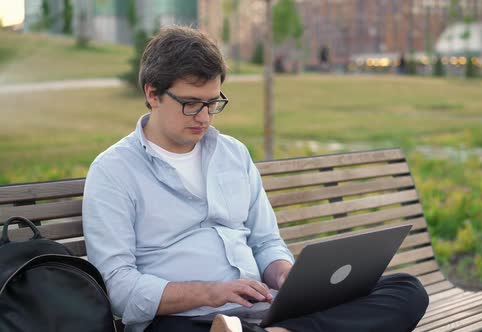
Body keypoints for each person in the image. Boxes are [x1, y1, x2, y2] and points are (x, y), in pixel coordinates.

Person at [83, 26, 429, 332]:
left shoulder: (233, 154)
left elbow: (265, 242)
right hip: (185, 320)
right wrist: (211, 292)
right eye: (191, 104)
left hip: (264, 311)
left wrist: (284, 274)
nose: (204, 117)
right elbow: (118, 287)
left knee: (405, 290)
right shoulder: (114, 172)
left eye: (213, 103)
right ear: (152, 94)